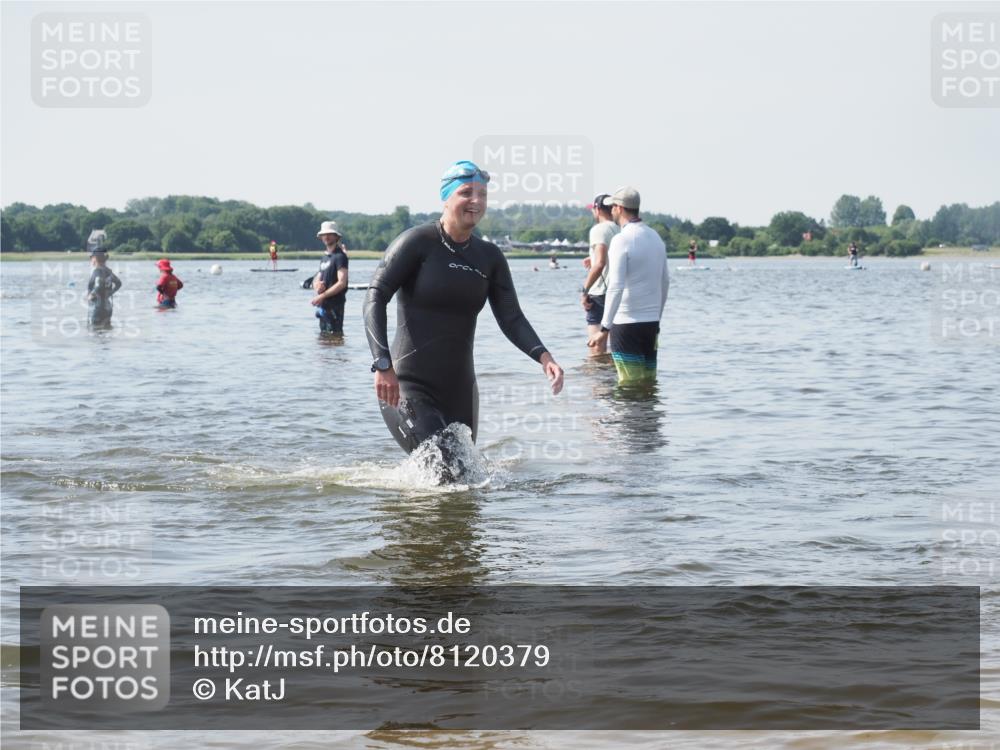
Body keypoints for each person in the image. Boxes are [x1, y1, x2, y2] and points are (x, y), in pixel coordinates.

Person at [363, 160, 564, 472]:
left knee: (466, 480)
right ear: (446, 197)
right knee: (444, 470)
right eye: (466, 192)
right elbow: (375, 297)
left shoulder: (489, 258)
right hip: (406, 385)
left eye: (482, 194)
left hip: (460, 391)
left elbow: (511, 318)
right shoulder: (417, 243)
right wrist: (382, 364)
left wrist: (544, 357)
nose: (476, 201)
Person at [587, 186, 669, 385]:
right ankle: (647, 417)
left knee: (628, 386)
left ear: (620, 208)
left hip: (626, 325)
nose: (612, 210)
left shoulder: (621, 240)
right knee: (648, 384)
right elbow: (665, 281)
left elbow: (616, 286)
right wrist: (657, 318)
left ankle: (626, 418)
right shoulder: (655, 237)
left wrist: (604, 329)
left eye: (613, 206)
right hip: (651, 324)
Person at [581, 194, 619, 355]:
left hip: (600, 292)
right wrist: (593, 256)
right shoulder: (619, 228)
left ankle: (597, 379)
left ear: (597, 209)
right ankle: (609, 377)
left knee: (596, 345)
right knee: (614, 345)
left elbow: (600, 263)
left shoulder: (599, 229)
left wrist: (584, 291)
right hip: (618, 291)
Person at [311, 221, 349, 334]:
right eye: (324, 234)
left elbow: (342, 282)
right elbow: (317, 277)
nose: (326, 237)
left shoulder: (340, 257)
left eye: (329, 234)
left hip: (335, 306)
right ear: (321, 237)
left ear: (336, 236)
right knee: (323, 340)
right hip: (324, 306)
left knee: (335, 338)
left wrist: (321, 296)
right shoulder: (325, 257)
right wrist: (316, 286)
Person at [86, 247, 121, 326]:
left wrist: (92, 294)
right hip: (108, 306)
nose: (91, 260)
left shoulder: (97, 271)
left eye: (91, 257)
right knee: (106, 330)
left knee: (95, 332)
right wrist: (109, 293)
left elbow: (99, 284)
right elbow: (118, 283)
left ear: (95, 258)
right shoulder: (108, 271)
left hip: (97, 307)